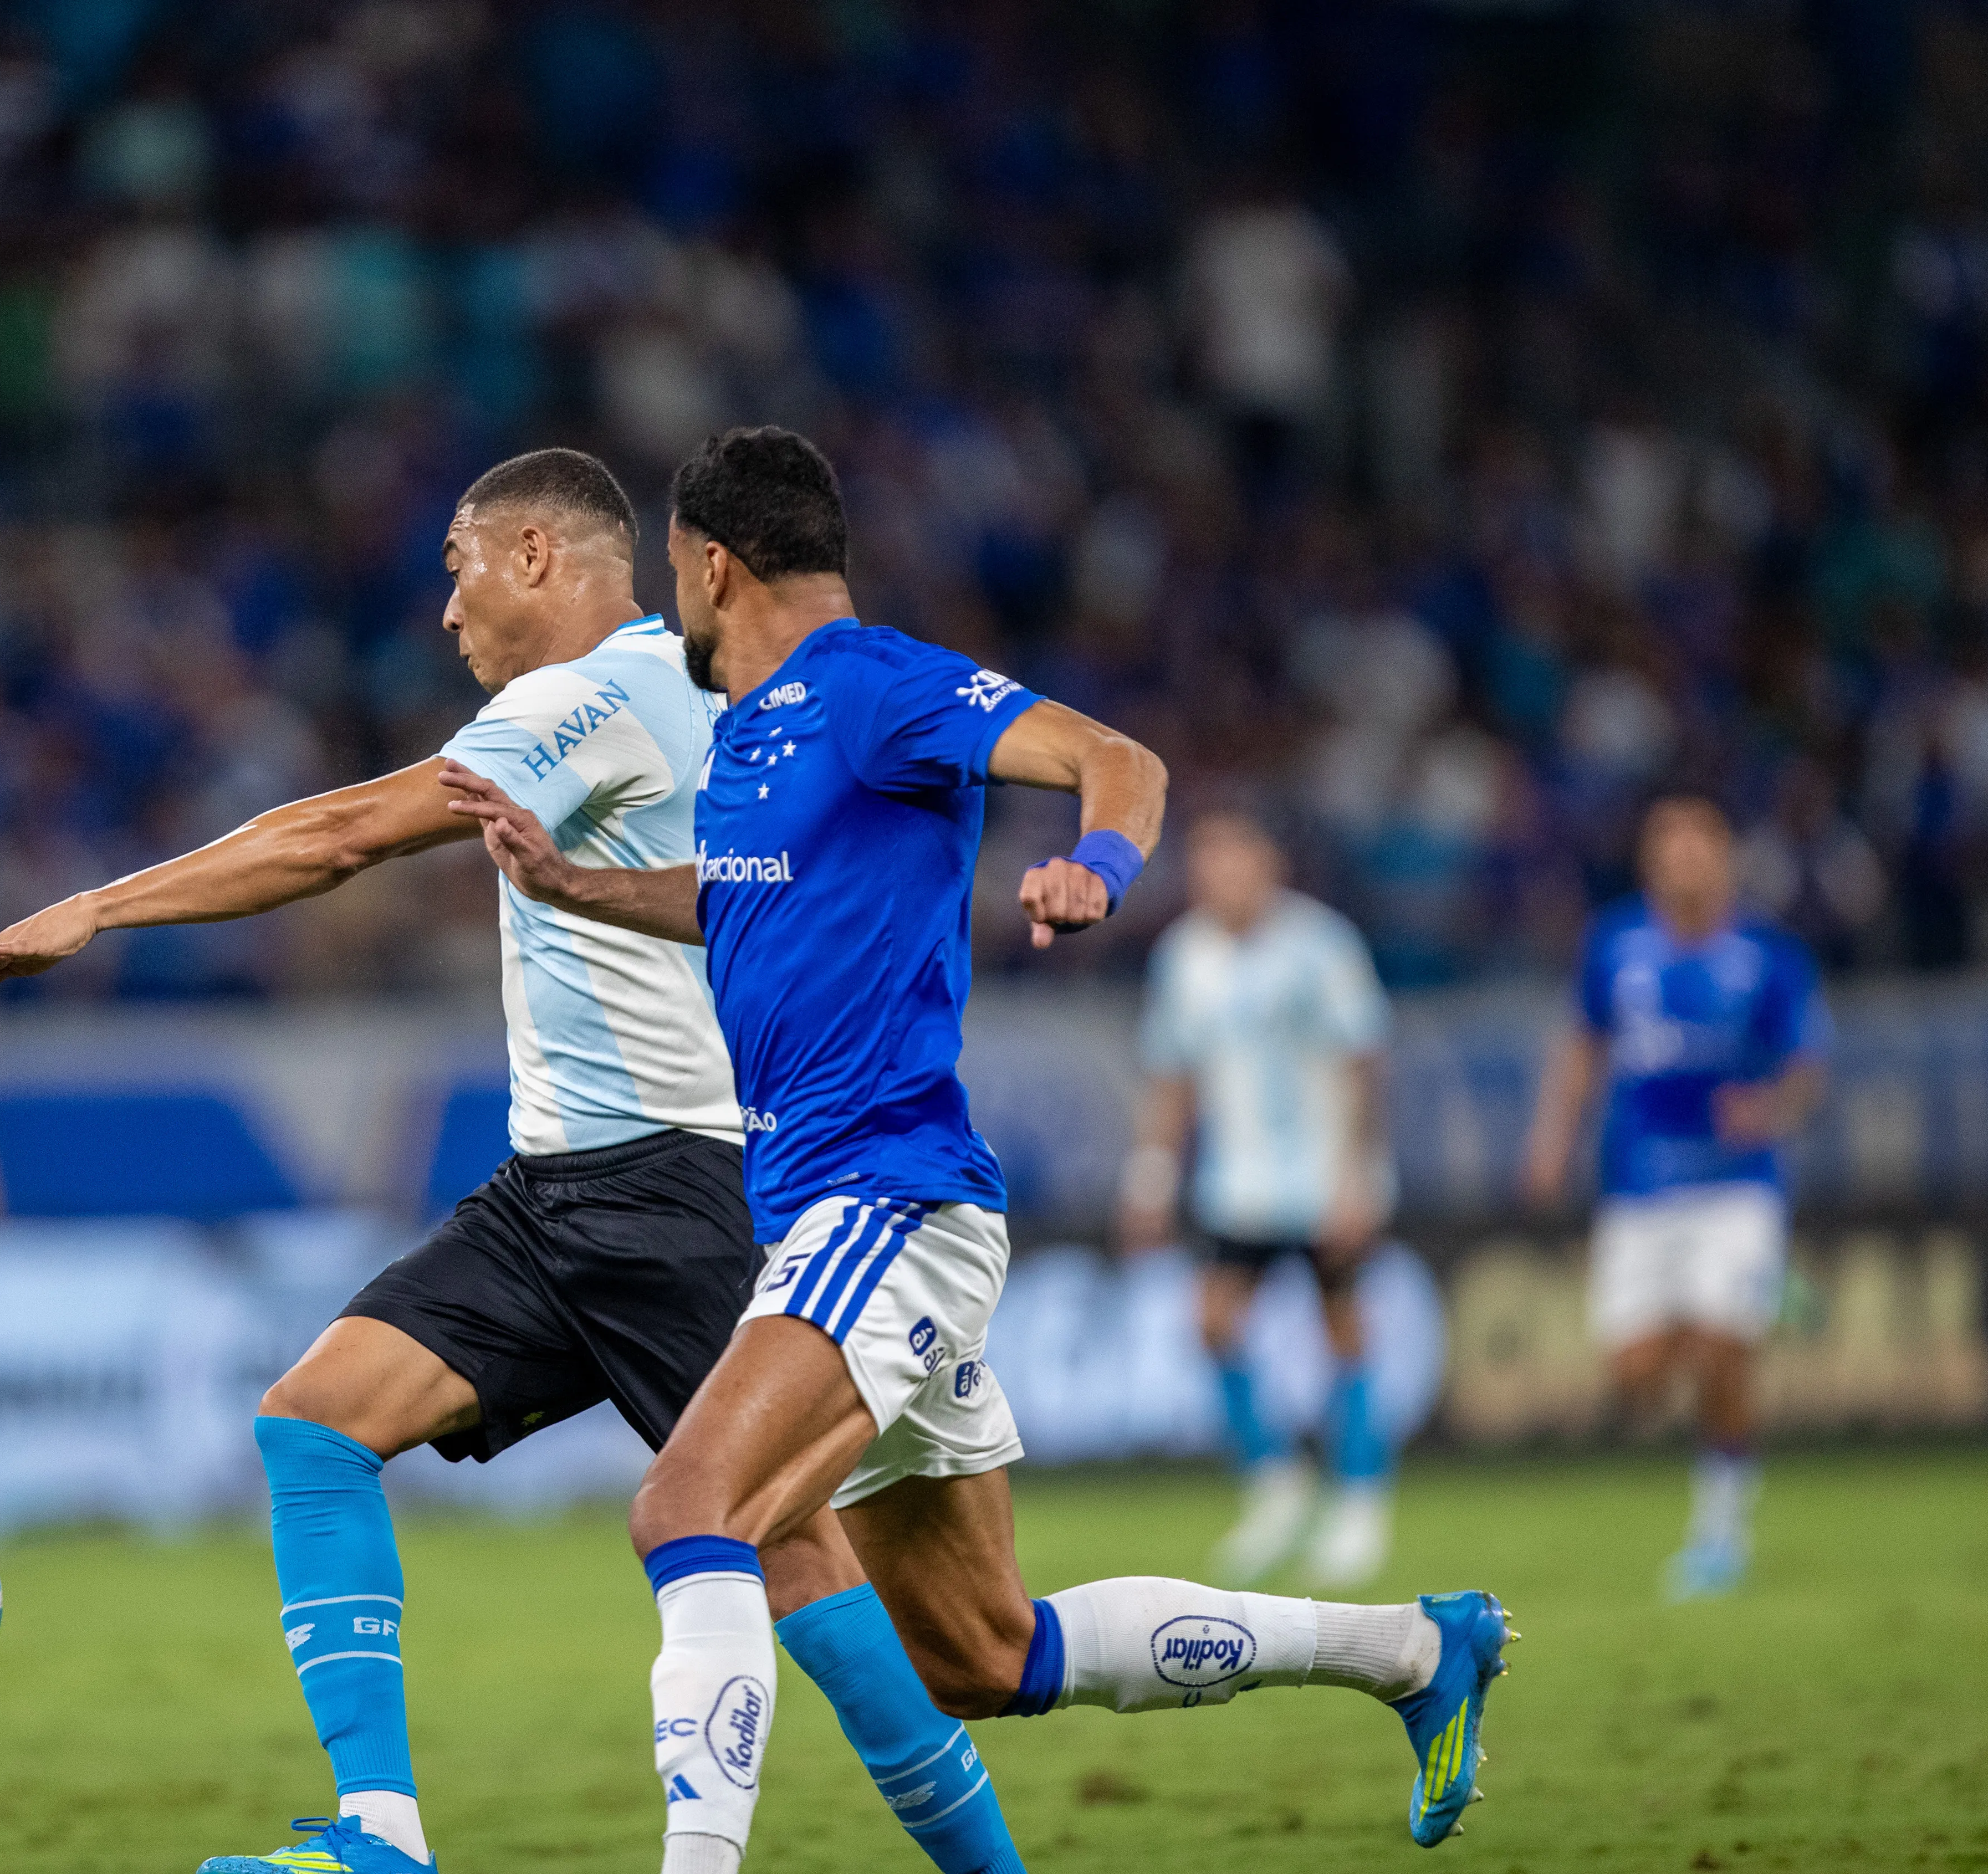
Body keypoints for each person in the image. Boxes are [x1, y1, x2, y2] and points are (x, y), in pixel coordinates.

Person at [0, 448, 1030, 1874]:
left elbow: (334, 836)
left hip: (673, 1190)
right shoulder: (693, 694)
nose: (445, 614)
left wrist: (98, 906)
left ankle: (989, 1862)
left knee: (797, 1550)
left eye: (454, 571)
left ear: (529, 554)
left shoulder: (596, 694)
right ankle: (379, 1834)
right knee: (313, 1421)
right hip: (555, 1188)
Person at [449, 427, 1511, 1872]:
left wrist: (1104, 864)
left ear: (711, 563)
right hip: (833, 1219)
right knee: (985, 1650)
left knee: (689, 1508)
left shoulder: (872, 684)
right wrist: (573, 880)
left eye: (669, 573)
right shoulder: (757, 732)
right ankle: (1412, 1645)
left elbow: (1114, 758)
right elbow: (743, 895)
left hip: (886, 1203)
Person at [1520, 795, 1829, 1600]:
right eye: (1670, 845)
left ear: (1724, 856)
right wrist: (1553, 1140)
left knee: (1724, 1349)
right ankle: (1773, 1298)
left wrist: (1769, 1109)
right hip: (1640, 1188)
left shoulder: (1768, 955)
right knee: (1638, 1378)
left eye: (1699, 844)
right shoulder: (1615, 943)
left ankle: (1721, 1524)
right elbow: (1584, 1046)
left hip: (1737, 1186)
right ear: (1652, 860)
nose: (1685, 859)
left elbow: (1806, 1067)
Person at [1118, 807, 1400, 1588]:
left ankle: (1360, 1504)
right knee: (1212, 1325)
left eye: (1232, 859)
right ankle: (1277, 1483)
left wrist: (1359, 1178)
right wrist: (1151, 1172)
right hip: (1238, 1183)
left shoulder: (1322, 945)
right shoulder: (1185, 955)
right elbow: (1171, 1075)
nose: (1218, 877)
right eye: (1206, 863)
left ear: (1267, 863)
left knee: (1343, 1330)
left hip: (1323, 1178)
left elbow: (1364, 1065)